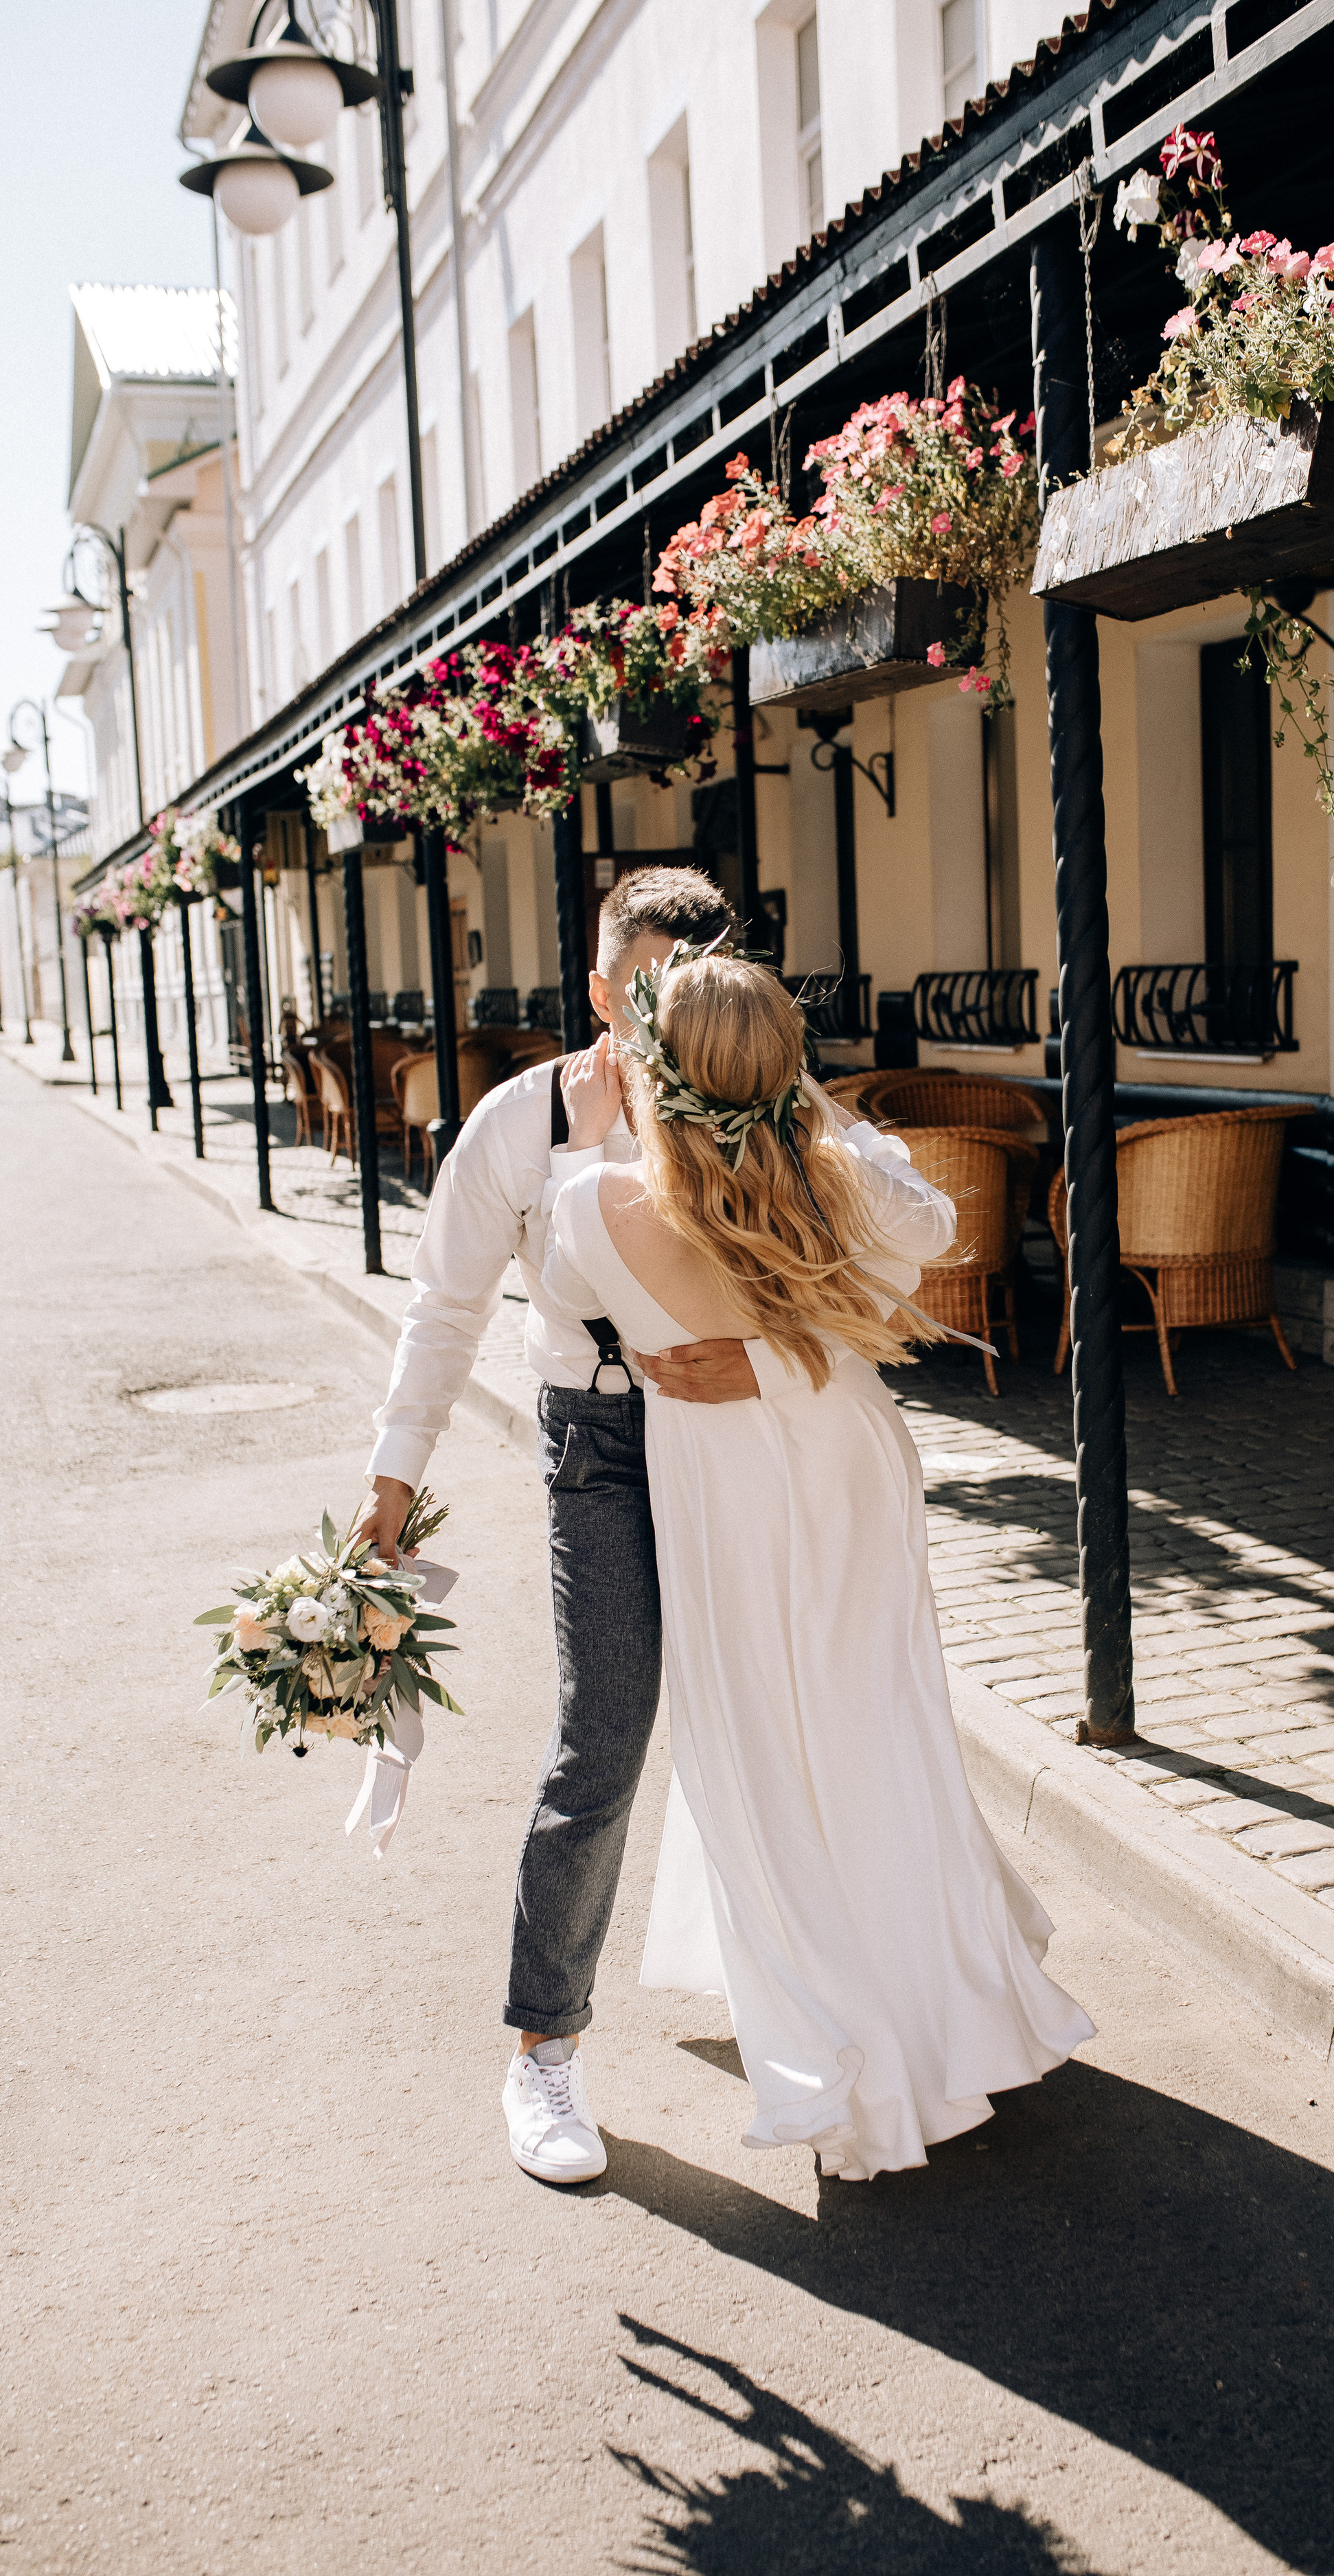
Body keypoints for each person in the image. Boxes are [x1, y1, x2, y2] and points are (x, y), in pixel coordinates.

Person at [360, 866, 947, 2187]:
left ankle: (832, 1983)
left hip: (751, 1442)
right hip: (603, 1452)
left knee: (796, 1711)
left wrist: (778, 1354)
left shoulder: (767, 1100)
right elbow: (448, 1308)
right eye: (639, 990)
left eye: (685, 985)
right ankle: (543, 2051)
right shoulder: (521, 1124)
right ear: (598, 989)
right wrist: (394, 1480)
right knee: (606, 1737)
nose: (661, 1012)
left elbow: (861, 1260)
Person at [542, 942, 1094, 2182]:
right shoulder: (840, 1178)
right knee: (875, 1723)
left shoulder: (594, 1201)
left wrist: (592, 1139)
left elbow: (572, 1285)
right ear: (788, 1068)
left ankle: (834, 2027)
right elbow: (936, 1228)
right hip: (842, 1464)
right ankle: (945, 2004)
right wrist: (811, 1118)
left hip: (720, 1487)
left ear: (650, 1066)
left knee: (760, 1746)